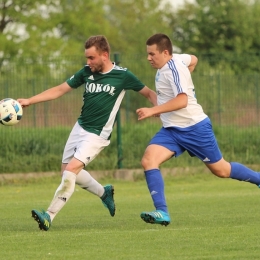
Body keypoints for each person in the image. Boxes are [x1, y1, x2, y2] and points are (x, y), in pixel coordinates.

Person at [18, 35, 157, 231]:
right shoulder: (86, 72)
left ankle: (48, 216)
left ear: (105, 55)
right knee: (67, 171)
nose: (88, 62)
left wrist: (158, 110)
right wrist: (29, 101)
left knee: (70, 171)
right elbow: (59, 90)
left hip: (97, 135)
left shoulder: (123, 76)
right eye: (87, 58)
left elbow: (149, 93)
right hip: (80, 127)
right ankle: (104, 193)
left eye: (91, 58)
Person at [136, 33, 260, 226]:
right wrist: (186, 79)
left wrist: (154, 110)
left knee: (222, 170)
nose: (148, 58)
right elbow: (194, 59)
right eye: (148, 54)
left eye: (152, 54)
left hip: (194, 128)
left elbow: (183, 100)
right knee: (148, 160)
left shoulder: (173, 68)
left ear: (165, 52)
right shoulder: (177, 59)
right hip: (171, 130)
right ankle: (162, 211)